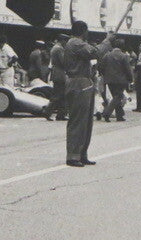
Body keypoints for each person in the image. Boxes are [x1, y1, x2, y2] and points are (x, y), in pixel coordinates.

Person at [63, 21, 98, 167]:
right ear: (83, 31)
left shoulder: (76, 43)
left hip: (84, 82)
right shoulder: (76, 43)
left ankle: (81, 153)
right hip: (79, 82)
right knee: (78, 120)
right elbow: (94, 52)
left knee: (86, 122)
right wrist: (107, 42)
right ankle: (73, 155)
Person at [99, 36, 133, 122]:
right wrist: (130, 78)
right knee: (118, 97)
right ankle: (107, 113)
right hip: (121, 80)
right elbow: (127, 69)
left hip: (109, 79)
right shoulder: (124, 56)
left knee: (116, 96)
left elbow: (101, 66)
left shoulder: (107, 55)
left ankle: (120, 115)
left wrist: (104, 74)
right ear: (122, 46)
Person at [48, 33, 69, 121]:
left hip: (56, 72)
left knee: (61, 94)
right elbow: (63, 62)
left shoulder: (55, 48)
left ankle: (61, 114)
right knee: (58, 94)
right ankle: (48, 111)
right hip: (60, 73)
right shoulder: (59, 49)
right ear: (62, 41)